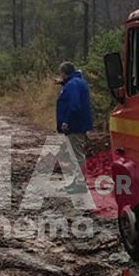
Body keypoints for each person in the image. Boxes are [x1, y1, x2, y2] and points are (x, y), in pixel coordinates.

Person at [56, 61, 93, 190]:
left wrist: (66, 121)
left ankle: (80, 183)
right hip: (78, 124)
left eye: (61, 74)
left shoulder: (72, 85)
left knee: (77, 155)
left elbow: (74, 105)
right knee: (75, 155)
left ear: (64, 73)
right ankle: (77, 180)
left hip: (74, 125)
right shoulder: (76, 82)